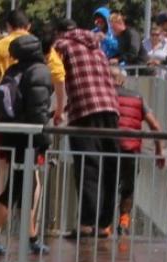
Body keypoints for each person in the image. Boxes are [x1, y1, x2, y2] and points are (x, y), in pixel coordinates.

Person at [0, 34, 54, 257]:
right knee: (15, 191)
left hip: (12, 135)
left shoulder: (12, 70)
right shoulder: (40, 71)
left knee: (24, 188)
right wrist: (44, 141)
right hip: (27, 140)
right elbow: (39, 112)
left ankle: (31, 238)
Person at [55, 19, 122, 238]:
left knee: (88, 166)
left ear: (60, 32)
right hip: (111, 107)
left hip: (84, 110)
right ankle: (104, 224)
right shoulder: (97, 46)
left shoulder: (62, 45)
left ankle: (86, 223)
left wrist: (58, 109)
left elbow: (58, 77)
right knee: (110, 165)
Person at [110, 66, 164, 236]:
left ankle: (104, 224)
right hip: (131, 149)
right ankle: (124, 221)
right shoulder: (137, 98)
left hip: (109, 148)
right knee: (128, 187)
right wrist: (159, 150)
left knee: (106, 185)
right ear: (122, 80)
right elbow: (155, 125)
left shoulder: (103, 96)